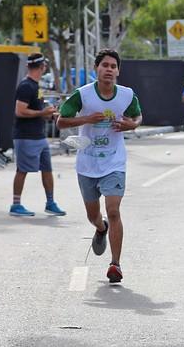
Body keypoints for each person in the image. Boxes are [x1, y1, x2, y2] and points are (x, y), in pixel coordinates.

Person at [57, 49, 142, 283]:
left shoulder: (126, 95)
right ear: (97, 69)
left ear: (118, 71)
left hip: (114, 161)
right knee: (93, 215)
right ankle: (100, 228)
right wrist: (86, 119)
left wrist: (131, 125)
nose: (109, 69)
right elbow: (61, 121)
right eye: (105, 65)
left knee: (114, 210)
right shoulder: (82, 95)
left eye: (113, 66)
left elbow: (137, 117)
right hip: (87, 163)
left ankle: (115, 264)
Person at [9, 53, 66, 217]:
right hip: (25, 136)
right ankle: (16, 204)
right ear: (42, 67)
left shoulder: (36, 86)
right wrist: (42, 112)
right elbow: (20, 111)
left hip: (39, 136)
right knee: (22, 170)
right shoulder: (26, 86)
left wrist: (49, 114)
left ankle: (50, 202)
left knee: (47, 169)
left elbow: (36, 111)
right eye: (45, 66)